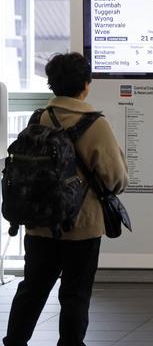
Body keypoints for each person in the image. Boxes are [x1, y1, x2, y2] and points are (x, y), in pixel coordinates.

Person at [4, 52, 129, 346]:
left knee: (32, 288)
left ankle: (14, 342)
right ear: (86, 85)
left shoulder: (38, 118)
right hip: (82, 225)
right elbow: (115, 177)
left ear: (52, 84)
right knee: (75, 293)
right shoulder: (95, 123)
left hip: (39, 223)